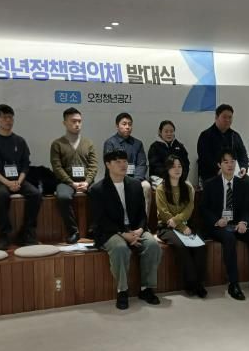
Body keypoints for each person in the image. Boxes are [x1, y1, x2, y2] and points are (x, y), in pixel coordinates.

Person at [89, 150, 162, 310]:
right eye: (118, 162)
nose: (123, 165)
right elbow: (101, 220)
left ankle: (146, 288)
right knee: (120, 248)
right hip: (111, 230)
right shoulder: (98, 189)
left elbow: (142, 213)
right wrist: (124, 234)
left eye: (124, 161)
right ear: (108, 165)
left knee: (152, 245)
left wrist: (140, 229)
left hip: (135, 228)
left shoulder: (135, 185)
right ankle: (122, 291)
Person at [200, 149, 249, 301]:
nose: (230, 165)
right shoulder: (210, 184)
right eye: (226, 162)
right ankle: (234, 283)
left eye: (232, 161)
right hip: (218, 225)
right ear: (219, 164)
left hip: (236, 224)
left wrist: (243, 222)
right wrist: (216, 220)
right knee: (229, 238)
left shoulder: (243, 184)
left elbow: (246, 208)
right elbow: (204, 208)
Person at [0, 104, 42, 250]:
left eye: (10, 117)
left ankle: (27, 233)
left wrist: (18, 181)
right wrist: (8, 183)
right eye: (4, 117)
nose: (8, 120)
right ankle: (4, 235)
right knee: (2, 195)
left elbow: (25, 165)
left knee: (35, 194)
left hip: (18, 179)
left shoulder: (20, 141)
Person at [155, 155, 207, 298]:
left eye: (179, 166)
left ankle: (200, 283)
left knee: (200, 245)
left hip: (186, 225)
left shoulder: (187, 187)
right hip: (166, 227)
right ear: (167, 169)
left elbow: (189, 209)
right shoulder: (161, 188)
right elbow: (164, 213)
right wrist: (181, 227)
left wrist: (178, 222)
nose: (177, 169)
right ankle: (190, 284)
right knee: (181, 246)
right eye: (173, 166)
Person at [50, 107, 98, 244]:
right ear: (64, 123)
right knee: (63, 197)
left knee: (99, 193)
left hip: (87, 181)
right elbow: (57, 167)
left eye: (79, 121)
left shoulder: (88, 143)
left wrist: (87, 181)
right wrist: (71, 183)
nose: (77, 124)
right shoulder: (57, 144)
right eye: (73, 121)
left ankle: (94, 228)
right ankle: (73, 231)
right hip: (66, 182)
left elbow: (93, 165)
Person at [103, 112, 152, 218]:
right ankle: (121, 223)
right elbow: (111, 166)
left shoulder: (138, 143)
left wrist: (135, 181)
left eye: (130, 124)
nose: (127, 127)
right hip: (116, 179)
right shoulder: (110, 143)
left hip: (135, 179)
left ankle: (143, 223)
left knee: (146, 186)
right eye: (124, 124)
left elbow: (141, 164)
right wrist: (124, 180)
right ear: (117, 126)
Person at [197, 104, 249, 183]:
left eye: (230, 117)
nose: (227, 120)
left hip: (234, 173)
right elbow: (205, 158)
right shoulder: (206, 135)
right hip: (213, 174)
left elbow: (243, 154)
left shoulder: (235, 135)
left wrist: (243, 167)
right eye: (224, 117)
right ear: (216, 117)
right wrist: (218, 169)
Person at [148, 120, 190, 186]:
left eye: (171, 131)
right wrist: (170, 176)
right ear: (160, 132)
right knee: (166, 187)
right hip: (159, 178)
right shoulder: (154, 147)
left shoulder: (180, 146)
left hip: (179, 177)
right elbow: (155, 167)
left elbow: (186, 164)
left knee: (189, 187)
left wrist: (181, 177)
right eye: (166, 131)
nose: (169, 134)